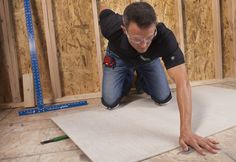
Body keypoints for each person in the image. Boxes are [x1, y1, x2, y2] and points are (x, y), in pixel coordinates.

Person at [99, 1, 220, 155]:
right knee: (110, 102)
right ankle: (128, 76)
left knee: (163, 98)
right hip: (119, 57)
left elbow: (183, 82)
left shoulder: (164, 37)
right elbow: (104, 11)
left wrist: (186, 130)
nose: (143, 45)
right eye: (137, 39)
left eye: (149, 38)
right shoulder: (111, 26)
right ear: (124, 30)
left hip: (147, 61)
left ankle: (142, 78)